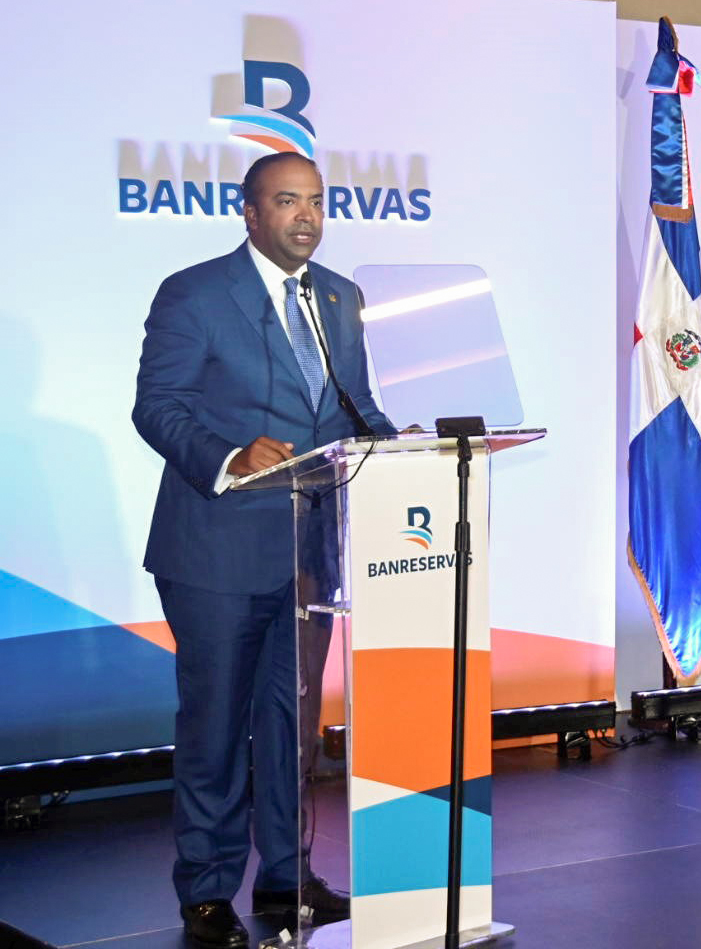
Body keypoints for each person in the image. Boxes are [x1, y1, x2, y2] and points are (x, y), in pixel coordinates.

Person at [133, 152, 393, 947]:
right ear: (249, 212)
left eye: (315, 202)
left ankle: (287, 874)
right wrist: (228, 456)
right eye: (287, 201)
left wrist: (405, 447)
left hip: (308, 551)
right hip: (216, 550)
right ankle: (207, 890)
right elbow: (158, 406)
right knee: (215, 725)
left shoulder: (340, 297)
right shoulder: (195, 293)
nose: (306, 216)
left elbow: (354, 405)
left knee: (292, 724)